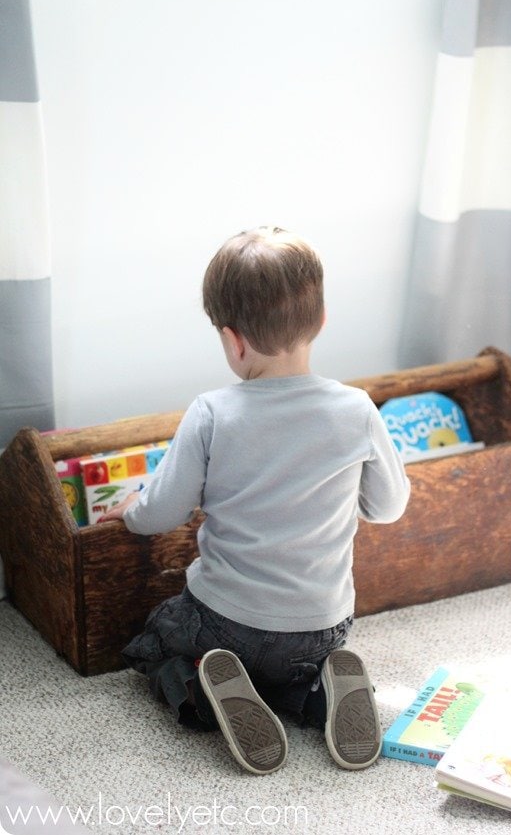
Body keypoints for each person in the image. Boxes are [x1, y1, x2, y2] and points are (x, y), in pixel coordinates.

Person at [100, 226, 410, 775]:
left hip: (225, 621)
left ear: (232, 339)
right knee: (294, 668)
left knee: (155, 641)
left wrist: (131, 511)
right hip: (323, 626)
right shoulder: (357, 409)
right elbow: (387, 507)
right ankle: (317, 695)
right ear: (320, 321)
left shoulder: (213, 413)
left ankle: (204, 692)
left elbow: (163, 513)